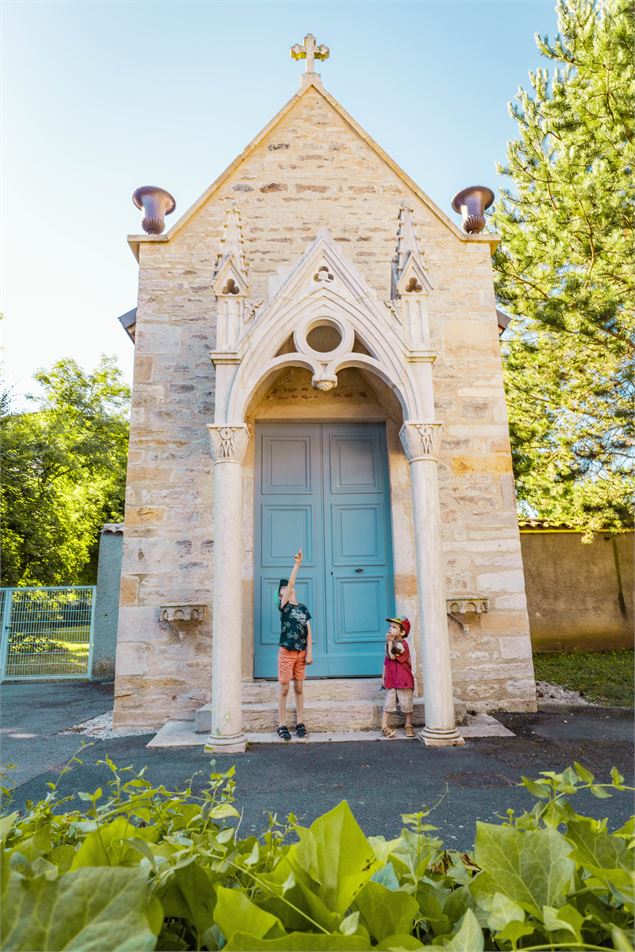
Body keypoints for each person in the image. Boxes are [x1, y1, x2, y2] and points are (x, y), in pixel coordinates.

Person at [276, 549, 313, 741]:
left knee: (299, 688)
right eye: (283, 590)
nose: (287, 590)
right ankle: (281, 724)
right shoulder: (284, 608)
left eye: (287, 589)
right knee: (284, 688)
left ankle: (300, 721)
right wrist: (297, 565)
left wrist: (309, 653)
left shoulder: (303, 608)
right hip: (287, 652)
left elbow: (308, 632)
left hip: (301, 653)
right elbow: (290, 583)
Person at [381, 616, 415, 738]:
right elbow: (386, 660)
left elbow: (393, 657)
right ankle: (384, 726)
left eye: (394, 627)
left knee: (407, 704)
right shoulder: (389, 644)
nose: (390, 629)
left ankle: (408, 724)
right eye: (390, 626)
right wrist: (383, 676)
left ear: (402, 632)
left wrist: (390, 642)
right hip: (391, 678)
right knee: (388, 703)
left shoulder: (402, 645)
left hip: (403, 679)